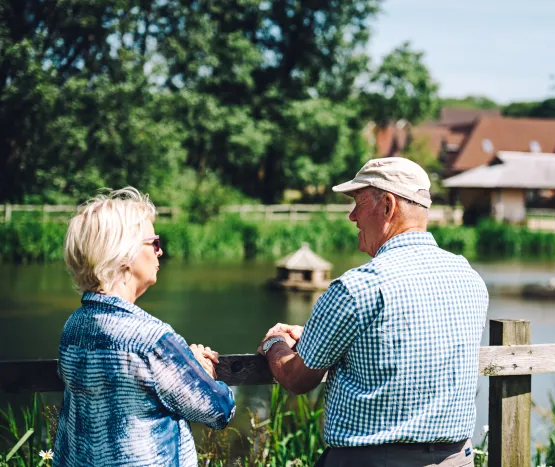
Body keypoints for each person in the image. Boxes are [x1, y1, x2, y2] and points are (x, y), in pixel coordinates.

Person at [258, 157, 489, 467]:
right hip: (456, 459)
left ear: (387, 206)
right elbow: (406, 341)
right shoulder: (469, 278)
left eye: (357, 202)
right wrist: (317, 338)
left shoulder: (357, 288)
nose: (352, 216)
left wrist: (275, 343)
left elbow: (296, 378)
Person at [54, 187, 235, 467]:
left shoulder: (73, 327)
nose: (161, 252)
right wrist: (200, 370)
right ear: (124, 253)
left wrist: (182, 362)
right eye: (154, 243)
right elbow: (219, 410)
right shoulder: (151, 339)